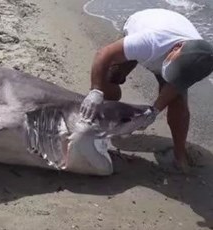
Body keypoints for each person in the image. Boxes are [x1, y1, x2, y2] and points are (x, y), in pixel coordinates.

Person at [80, 8, 213, 172]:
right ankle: (105, 122)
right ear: (176, 47)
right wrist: (95, 92)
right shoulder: (148, 41)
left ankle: (180, 155)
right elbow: (103, 55)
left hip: (175, 52)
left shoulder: (199, 61)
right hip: (144, 28)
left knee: (178, 100)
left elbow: (175, 87)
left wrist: (154, 111)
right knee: (110, 77)